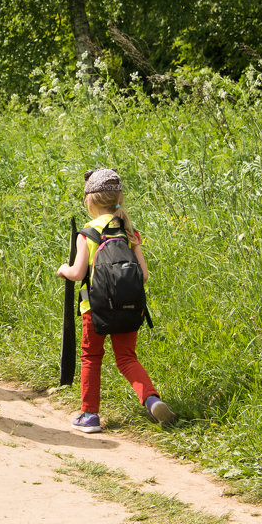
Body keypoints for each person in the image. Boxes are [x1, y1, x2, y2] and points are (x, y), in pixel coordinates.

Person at [56, 168, 177, 433]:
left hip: (95, 309)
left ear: (90, 200)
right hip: (130, 307)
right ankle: (152, 399)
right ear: (118, 198)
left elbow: (77, 274)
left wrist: (62, 270)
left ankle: (89, 416)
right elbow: (143, 275)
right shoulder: (129, 231)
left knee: (91, 357)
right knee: (126, 358)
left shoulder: (87, 233)